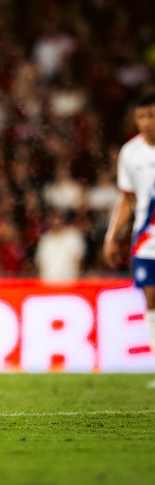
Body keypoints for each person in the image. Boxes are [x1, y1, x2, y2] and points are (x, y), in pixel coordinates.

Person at [103, 91, 155, 353]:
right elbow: (127, 199)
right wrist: (112, 236)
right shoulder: (130, 152)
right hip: (147, 238)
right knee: (151, 298)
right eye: (141, 117)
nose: (145, 122)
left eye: (151, 115)